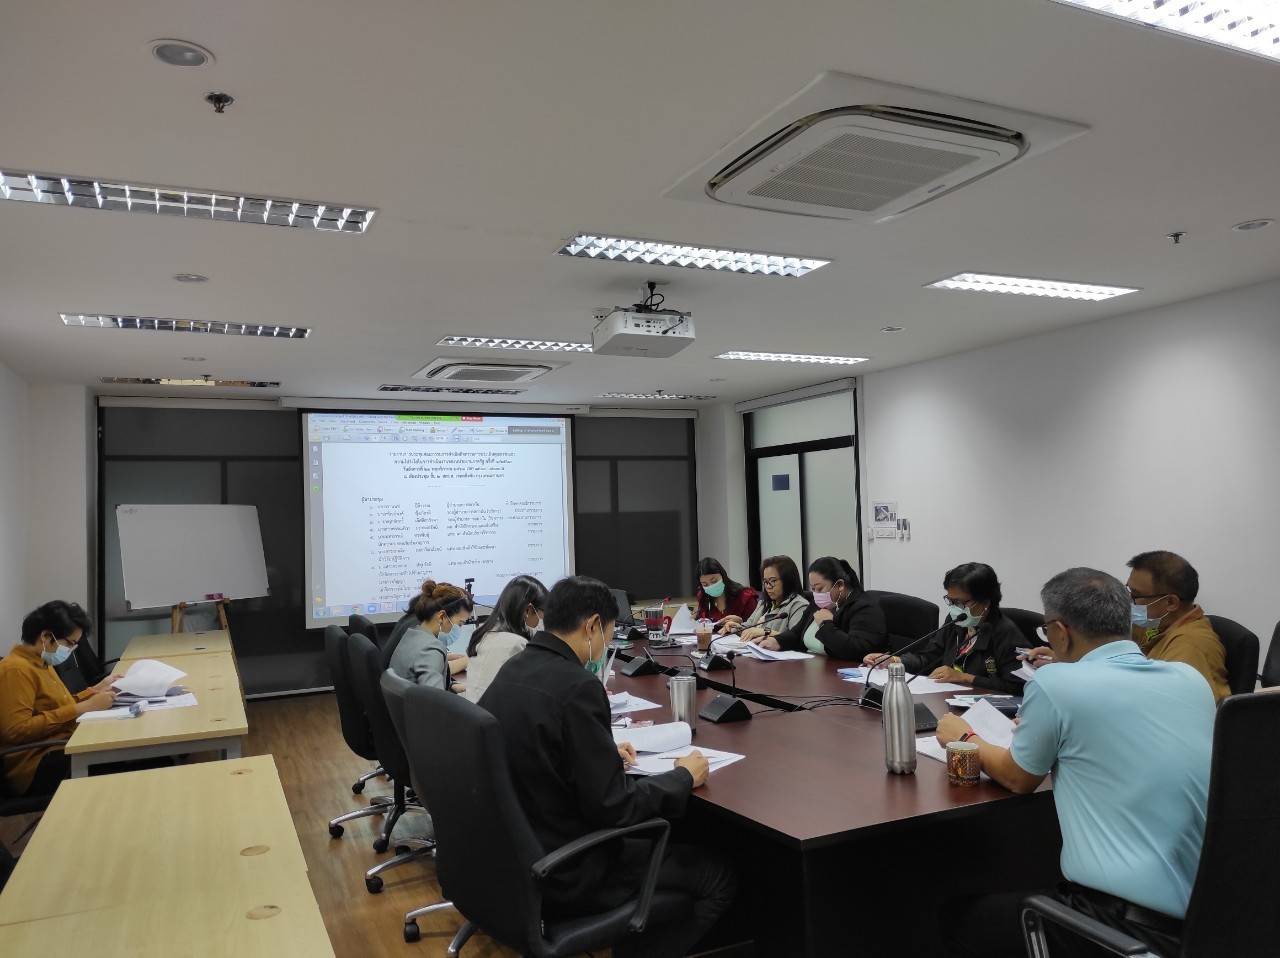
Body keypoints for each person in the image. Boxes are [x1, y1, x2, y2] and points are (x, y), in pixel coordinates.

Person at [937, 568, 1214, 958]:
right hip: (1208, 916)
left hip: (1122, 929)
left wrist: (965, 737)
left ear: (1060, 632)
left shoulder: (1056, 684)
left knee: (957, 917)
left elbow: (1018, 779)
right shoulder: (1189, 679)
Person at [479, 575, 737, 958]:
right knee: (718, 877)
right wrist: (683, 776)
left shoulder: (515, 668)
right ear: (592, 626)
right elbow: (615, 806)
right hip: (571, 870)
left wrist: (597, 752)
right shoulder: (577, 686)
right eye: (611, 631)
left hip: (521, 856)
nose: (608, 641)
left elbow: (537, 746)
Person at [0, 601, 120, 796]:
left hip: (59, 745)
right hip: (37, 764)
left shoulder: (41, 662)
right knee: (116, 762)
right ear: (46, 637)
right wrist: (82, 708)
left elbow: (58, 705)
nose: (72, 650)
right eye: (70, 643)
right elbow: (15, 731)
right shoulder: (16, 670)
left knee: (116, 748)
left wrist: (93, 692)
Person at [867, 562, 1023, 694]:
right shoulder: (957, 621)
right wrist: (894, 661)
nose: (954, 608)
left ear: (985, 601)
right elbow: (929, 658)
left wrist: (965, 677)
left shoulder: (1006, 633)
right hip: (948, 700)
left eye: (960, 603)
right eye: (950, 601)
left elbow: (1017, 686)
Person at [1126, 551, 1230, 703]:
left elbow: (1170, 704)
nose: (1129, 601)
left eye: (1135, 595)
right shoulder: (1157, 623)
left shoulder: (1189, 646)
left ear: (1171, 603)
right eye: (1128, 590)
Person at [757, 557, 887, 660]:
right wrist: (776, 641)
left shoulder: (864, 608)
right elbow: (797, 633)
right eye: (813, 589)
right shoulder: (817, 603)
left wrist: (826, 625)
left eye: (820, 588)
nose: (816, 594)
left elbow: (856, 650)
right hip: (809, 668)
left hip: (841, 675)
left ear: (840, 585)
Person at [462, 574, 548, 704]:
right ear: (528, 610)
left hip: (475, 712)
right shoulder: (516, 644)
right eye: (543, 611)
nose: (543, 619)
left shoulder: (484, 634)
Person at [387, 581, 471, 690]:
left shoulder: (411, 635)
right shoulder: (431, 650)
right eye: (460, 624)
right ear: (441, 617)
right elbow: (434, 699)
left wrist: (451, 687)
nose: (459, 629)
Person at [715, 555, 811, 642]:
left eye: (773, 581)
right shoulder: (764, 603)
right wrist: (737, 627)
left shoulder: (799, 605)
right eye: (765, 582)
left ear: (788, 580)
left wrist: (765, 631)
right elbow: (750, 627)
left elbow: (795, 639)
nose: (768, 586)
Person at [693, 557, 758, 625]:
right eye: (705, 584)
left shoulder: (745, 597)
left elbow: (756, 626)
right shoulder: (703, 596)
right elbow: (702, 622)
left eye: (714, 581)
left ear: (723, 576)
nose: (710, 586)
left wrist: (741, 624)